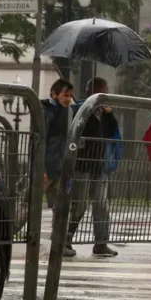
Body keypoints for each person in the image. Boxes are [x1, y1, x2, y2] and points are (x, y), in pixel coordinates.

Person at [66, 77, 120, 258]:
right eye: (102, 90)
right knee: (79, 204)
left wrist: (110, 113)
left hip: (99, 165)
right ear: (91, 91)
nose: (105, 94)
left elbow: (112, 130)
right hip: (82, 164)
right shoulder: (82, 110)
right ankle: (66, 239)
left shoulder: (105, 114)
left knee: (101, 204)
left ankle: (101, 242)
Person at [42, 79, 74, 211]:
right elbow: (40, 140)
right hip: (48, 168)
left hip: (58, 167)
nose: (68, 99)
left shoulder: (64, 111)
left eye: (70, 95)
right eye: (65, 95)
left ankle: (58, 231)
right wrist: (42, 169)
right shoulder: (46, 112)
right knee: (30, 201)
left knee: (59, 206)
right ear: (54, 94)